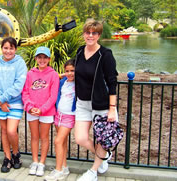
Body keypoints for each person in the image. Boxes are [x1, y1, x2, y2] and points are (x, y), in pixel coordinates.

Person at [74, 19, 118, 181]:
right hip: (82, 104)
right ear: (84, 33)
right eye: (88, 32)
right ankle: (104, 155)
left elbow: (112, 82)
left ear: (99, 35)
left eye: (94, 33)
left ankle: (93, 172)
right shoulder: (79, 51)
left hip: (101, 105)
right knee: (80, 138)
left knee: (101, 139)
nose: (90, 35)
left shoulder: (105, 55)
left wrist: (112, 108)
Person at [0, 37, 27, 173]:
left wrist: (3, 99)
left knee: (11, 131)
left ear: (15, 49)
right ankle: (7, 157)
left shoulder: (20, 63)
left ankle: (16, 154)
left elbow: (18, 85)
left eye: (11, 48)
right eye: (5, 48)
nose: (8, 51)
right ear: (1, 48)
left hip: (14, 102)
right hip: (0, 102)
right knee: (4, 131)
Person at [22, 46, 60, 177]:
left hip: (47, 112)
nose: (42, 60)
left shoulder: (53, 74)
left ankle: (42, 163)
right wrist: (30, 107)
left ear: (49, 59)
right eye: (40, 57)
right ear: (36, 58)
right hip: (32, 111)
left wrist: (42, 109)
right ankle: (35, 161)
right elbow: (25, 92)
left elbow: (53, 96)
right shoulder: (30, 74)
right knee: (34, 137)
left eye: (45, 57)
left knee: (44, 138)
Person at [44, 59, 76, 181]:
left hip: (69, 117)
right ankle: (64, 167)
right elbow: (54, 77)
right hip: (59, 115)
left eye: (73, 70)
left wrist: (74, 74)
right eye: (67, 71)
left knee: (57, 141)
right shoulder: (63, 82)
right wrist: (64, 75)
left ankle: (58, 171)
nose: (70, 73)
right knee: (62, 142)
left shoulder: (79, 83)